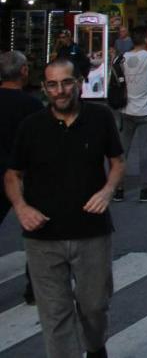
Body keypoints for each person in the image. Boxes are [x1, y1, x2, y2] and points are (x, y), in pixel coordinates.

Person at [6, 58, 124, 358]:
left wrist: (108, 191)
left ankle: (96, 347)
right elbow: (12, 174)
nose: (60, 90)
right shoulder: (31, 126)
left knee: (94, 306)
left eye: (67, 82)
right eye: (53, 84)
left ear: (79, 82)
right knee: (55, 314)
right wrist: (20, 207)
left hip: (91, 232)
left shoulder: (100, 118)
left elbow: (117, 162)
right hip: (43, 236)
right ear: (44, 88)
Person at [0, 52, 42, 305]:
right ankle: (34, 287)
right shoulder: (32, 106)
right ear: (24, 71)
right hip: (22, 176)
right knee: (35, 229)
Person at [115, 27, 147, 203]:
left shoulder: (122, 58)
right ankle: (145, 189)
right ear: (145, 39)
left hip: (127, 109)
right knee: (145, 151)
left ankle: (119, 189)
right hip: (146, 109)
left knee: (123, 151)